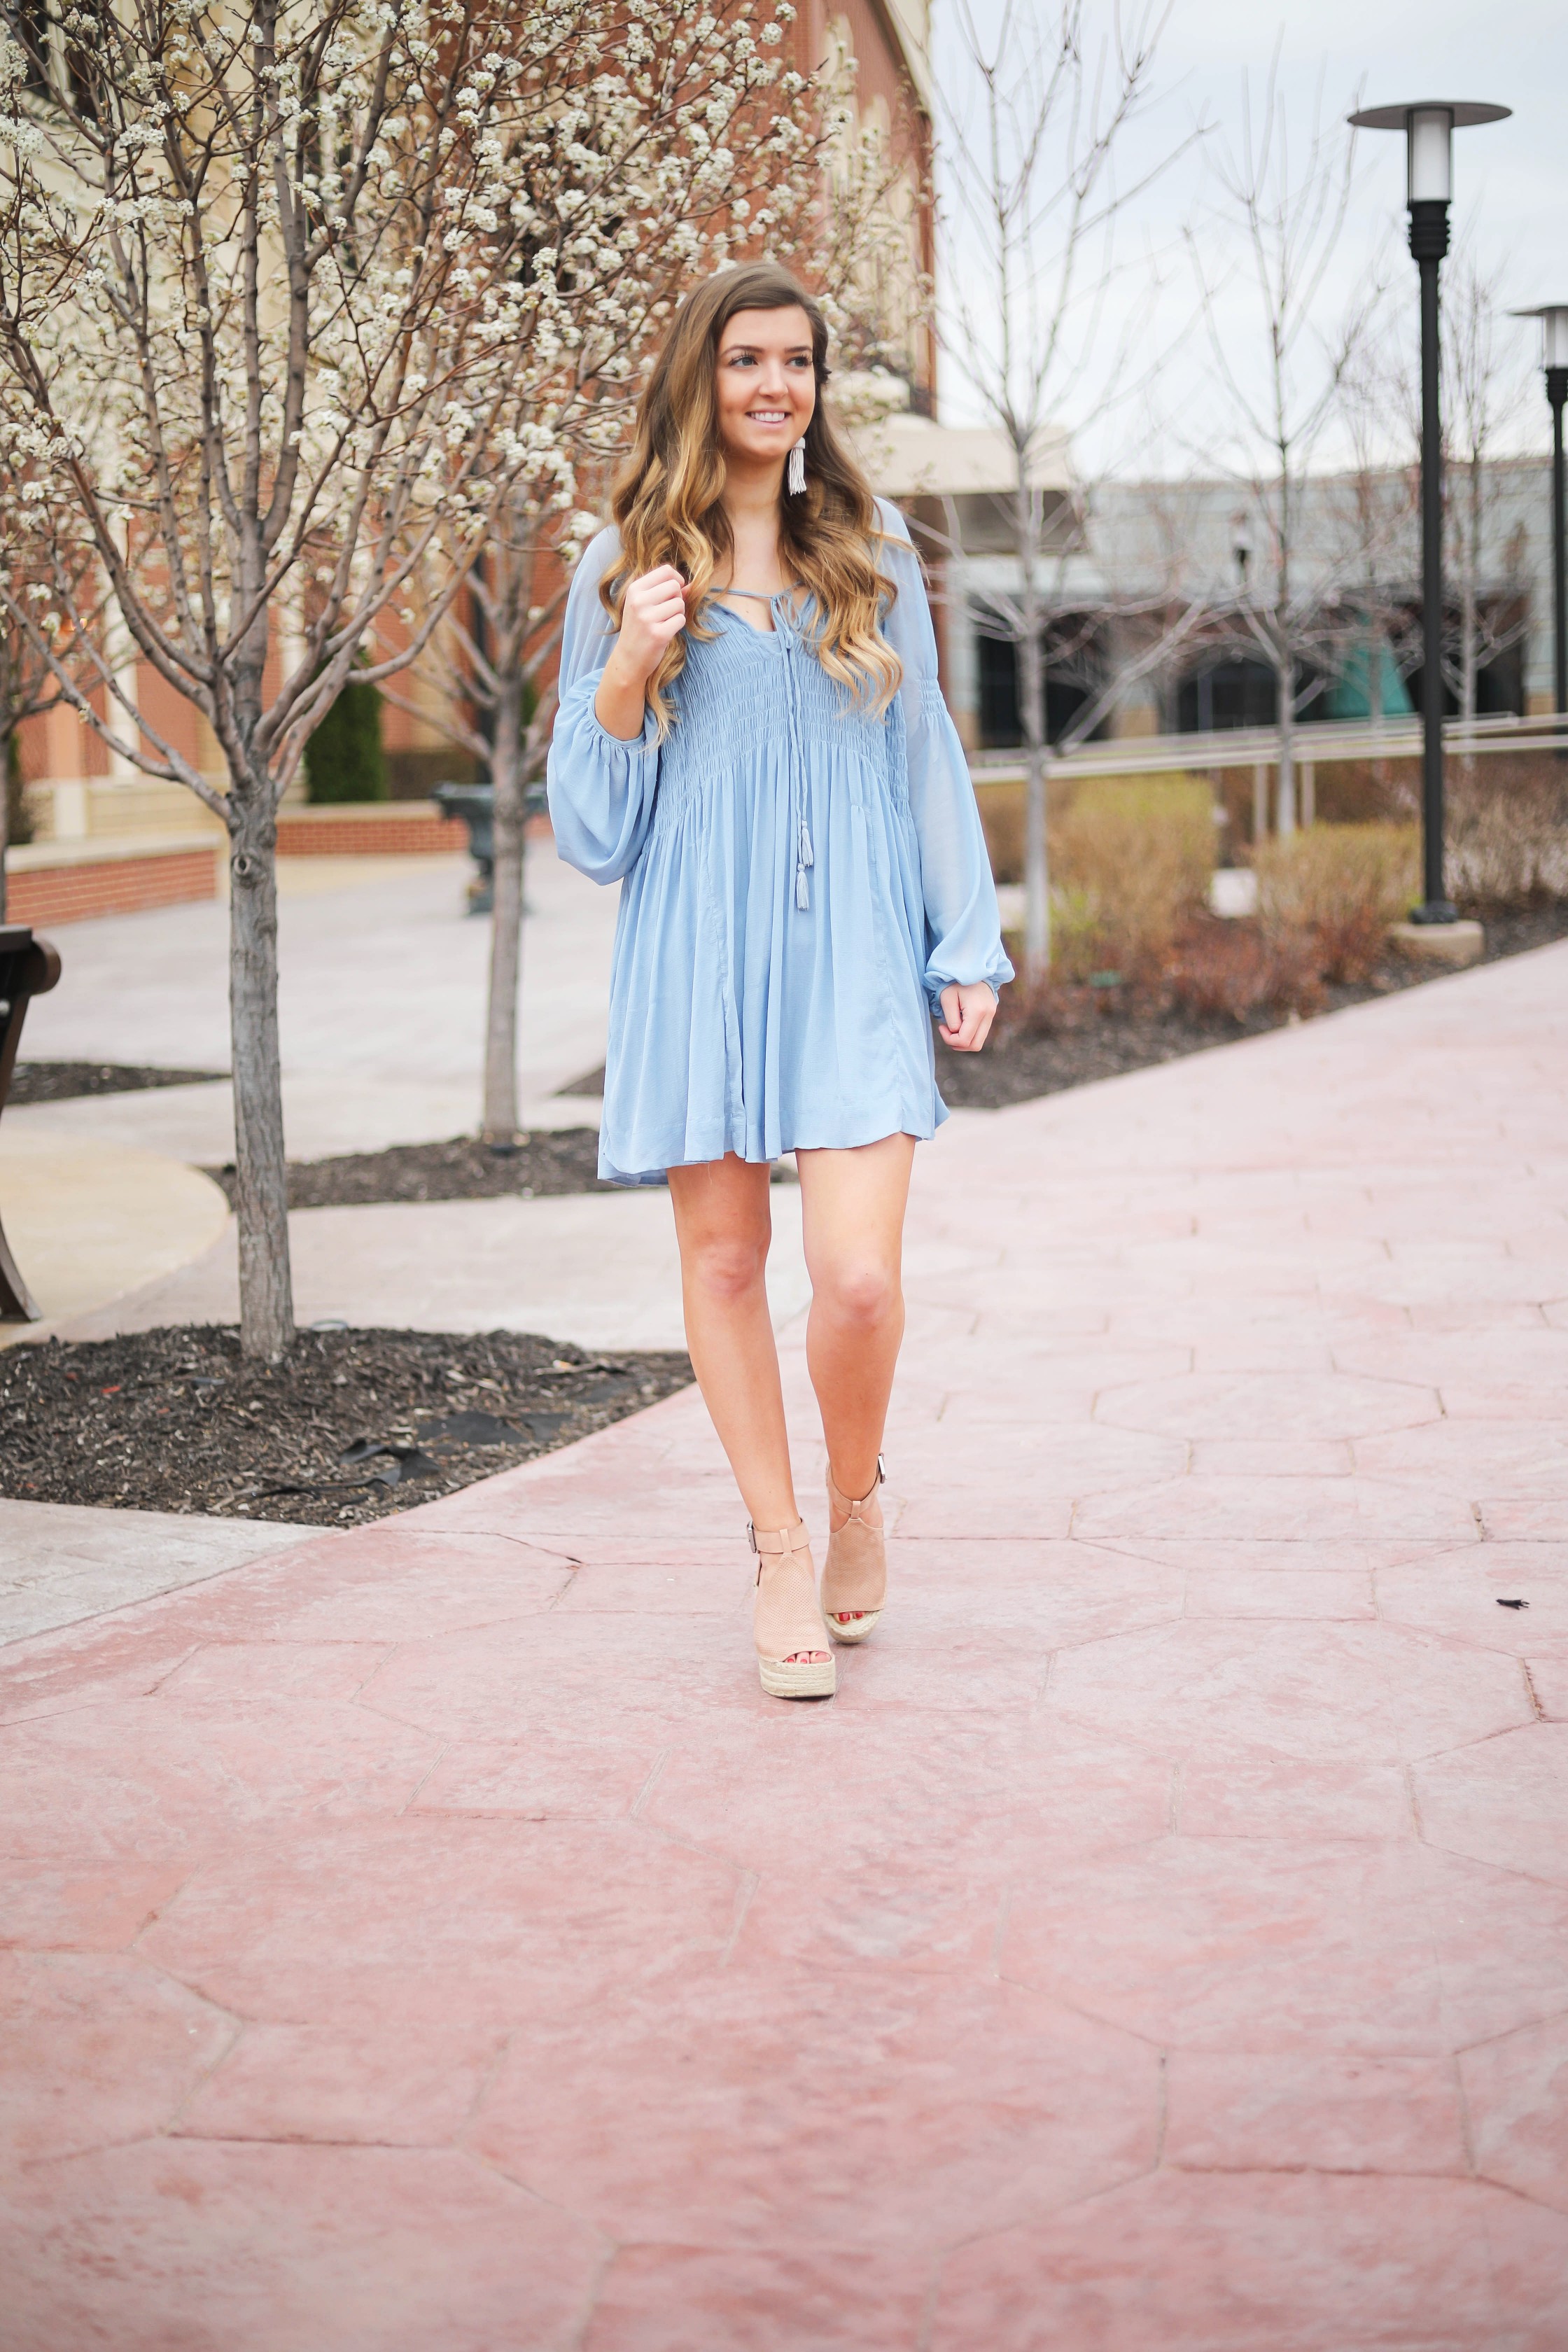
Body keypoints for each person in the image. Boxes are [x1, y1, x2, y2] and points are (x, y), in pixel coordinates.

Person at [547, 260, 1011, 1701]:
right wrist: (630, 658)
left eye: (795, 362)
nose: (771, 385)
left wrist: (965, 937)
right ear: (703, 375)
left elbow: (921, 748)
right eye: (746, 359)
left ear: (816, 384)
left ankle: (859, 1490)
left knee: (858, 1281)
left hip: (854, 947)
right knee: (731, 1262)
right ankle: (776, 1544)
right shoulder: (623, 560)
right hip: (700, 947)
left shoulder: (869, 549)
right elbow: (591, 826)